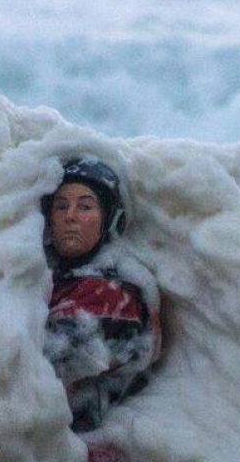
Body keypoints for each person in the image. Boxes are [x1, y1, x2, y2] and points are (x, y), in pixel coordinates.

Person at [42, 158, 162, 432]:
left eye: (85, 206)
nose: (69, 215)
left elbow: (49, 363)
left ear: (109, 219)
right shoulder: (55, 280)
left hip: (85, 449)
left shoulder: (114, 295)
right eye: (61, 206)